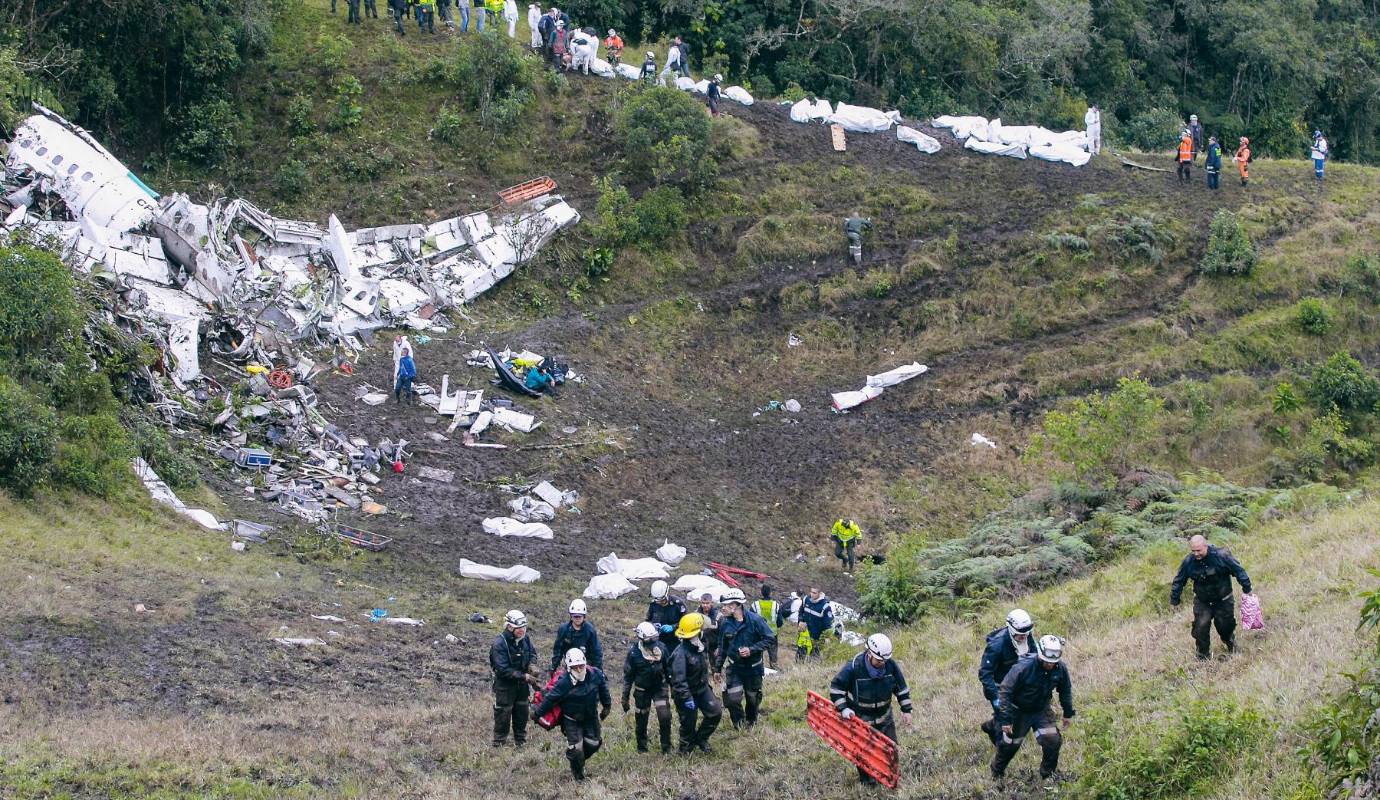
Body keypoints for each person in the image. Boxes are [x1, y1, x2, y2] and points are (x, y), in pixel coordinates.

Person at [829, 634, 914, 785]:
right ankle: (868, 783)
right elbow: (836, 688)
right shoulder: (854, 667)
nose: (882, 664)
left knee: (891, 750)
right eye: (879, 660)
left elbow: (901, 688)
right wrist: (843, 709)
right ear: (869, 653)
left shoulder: (890, 666)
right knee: (863, 754)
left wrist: (906, 710)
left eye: (884, 661)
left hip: (884, 717)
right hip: (861, 719)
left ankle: (889, 778)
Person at [991, 635, 1074, 780]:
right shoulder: (1023, 667)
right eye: (1047, 661)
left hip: (1041, 710)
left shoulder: (1060, 668)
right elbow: (1005, 690)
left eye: (1053, 662)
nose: (1050, 664)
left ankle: (1047, 774)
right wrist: (1006, 719)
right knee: (1010, 745)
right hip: (1018, 711)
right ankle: (997, 772)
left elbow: (1065, 690)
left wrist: (1068, 713)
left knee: (1052, 740)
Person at [1170, 534, 1253, 660]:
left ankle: (1230, 644)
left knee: (1225, 626)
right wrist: (1174, 600)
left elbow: (1238, 570)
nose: (1196, 554)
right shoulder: (1188, 562)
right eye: (1193, 551)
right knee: (1200, 627)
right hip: (1202, 601)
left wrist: (1247, 589)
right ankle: (1202, 656)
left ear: (1205, 546)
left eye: (1199, 550)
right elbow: (1179, 580)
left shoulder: (1222, 556)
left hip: (1223, 599)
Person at [532, 649, 611, 781]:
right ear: (569, 668)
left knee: (593, 744)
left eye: (581, 666)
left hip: (591, 717)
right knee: (576, 749)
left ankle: (577, 760)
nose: (579, 670)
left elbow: (603, 690)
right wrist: (537, 714)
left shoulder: (595, 674)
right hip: (571, 720)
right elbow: (550, 699)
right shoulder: (563, 682)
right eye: (575, 667)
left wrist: (607, 706)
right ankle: (578, 776)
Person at [714, 588, 774, 730]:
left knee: (753, 699)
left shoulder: (756, 620)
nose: (722, 608)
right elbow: (722, 647)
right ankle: (739, 724)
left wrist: (752, 649)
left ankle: (751, 721)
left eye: (725, 605)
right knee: (732, 699)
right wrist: (717, 668)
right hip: (734, 668)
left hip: (753, 668)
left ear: (735, 606)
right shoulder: (724, 623)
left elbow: (769, 639)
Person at [978, 609, 1036, 744]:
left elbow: (1034, 656)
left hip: (1018, 684)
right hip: (999, 687)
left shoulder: (1028, 636)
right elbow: (984, 673)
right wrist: (995, 697)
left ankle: (991, 725)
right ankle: (1000, 746)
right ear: (1011, 628)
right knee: (1005, 718)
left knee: (1020, 713)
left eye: (1026, 632)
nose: (1023, 636)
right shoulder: (996, 646)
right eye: (1020, 633)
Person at [669, 612, 723, 753]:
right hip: (685, 694)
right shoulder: (680, 654)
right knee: (688, 723)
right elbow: (678, 680)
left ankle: (701, 738)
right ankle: (685, 750)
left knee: (715, 712)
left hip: (702, 689)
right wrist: (687, 698)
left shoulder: (701, 643)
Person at [489, 609, 542, 746]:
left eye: (524, 627)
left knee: (522, 711)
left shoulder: (525, 639)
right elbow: (503, 670)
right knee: (503, 713)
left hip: (522, 685)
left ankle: (520, 741)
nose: (522, 631)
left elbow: (532, 653)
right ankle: (499, 742)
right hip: (505, 685)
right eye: (519, 628)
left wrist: (531, 665)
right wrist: (524, 676)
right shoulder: (499, 644)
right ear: (509, 626)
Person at [623, 621, 674, 753]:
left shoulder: (661, 648)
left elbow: (669, 669)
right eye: (649, 640)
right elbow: (628, 677)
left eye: (654, 639)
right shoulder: (634, 654)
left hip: (659, 688)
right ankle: (642, 748)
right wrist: (625, 697)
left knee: (665, 716)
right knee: (641, 719)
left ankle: (666, 747)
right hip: (642, 691)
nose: (652, 643)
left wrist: (673, 688)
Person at [551, 599, 603, 672]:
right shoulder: (564, 629)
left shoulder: (590, 631)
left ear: (584, 616)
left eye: (580, 616)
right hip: (569, 664)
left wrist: (598, 671)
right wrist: (554, 667)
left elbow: (596, 652)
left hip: (586, 665)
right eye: (575, 616)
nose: (577, 619)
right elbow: (558, 650)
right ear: (571, 616)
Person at [646, 580, 686, 651]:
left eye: (662, 600)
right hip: (658, 640)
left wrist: (673, 627)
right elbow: (648, 620)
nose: (660, 603)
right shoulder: (653, 605)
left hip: (676, 640)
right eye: (657, 601)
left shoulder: (678, 604)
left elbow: (686, 622)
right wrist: (653, 626)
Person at [752, 585, 781, 669]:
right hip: (772, 634)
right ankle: (774, 667)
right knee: (773, 654)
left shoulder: (755, 605)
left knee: (758, 652)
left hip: (758, 634)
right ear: (770, 593)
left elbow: (750, 619)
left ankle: (759, 667)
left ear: (761, 593)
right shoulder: (776, 605)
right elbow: (779, 621)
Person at [800, 585, 834, 656]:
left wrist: (827, 637)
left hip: (817, 636)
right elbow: (801, 611)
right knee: (801, 653)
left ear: (819, 593)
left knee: (814, 656)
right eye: (811, 592)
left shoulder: (825, 606)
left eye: (814, 593)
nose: (812, 594)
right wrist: (800, 621)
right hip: (804, 633)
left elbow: (828, 624)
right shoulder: (806, 600)